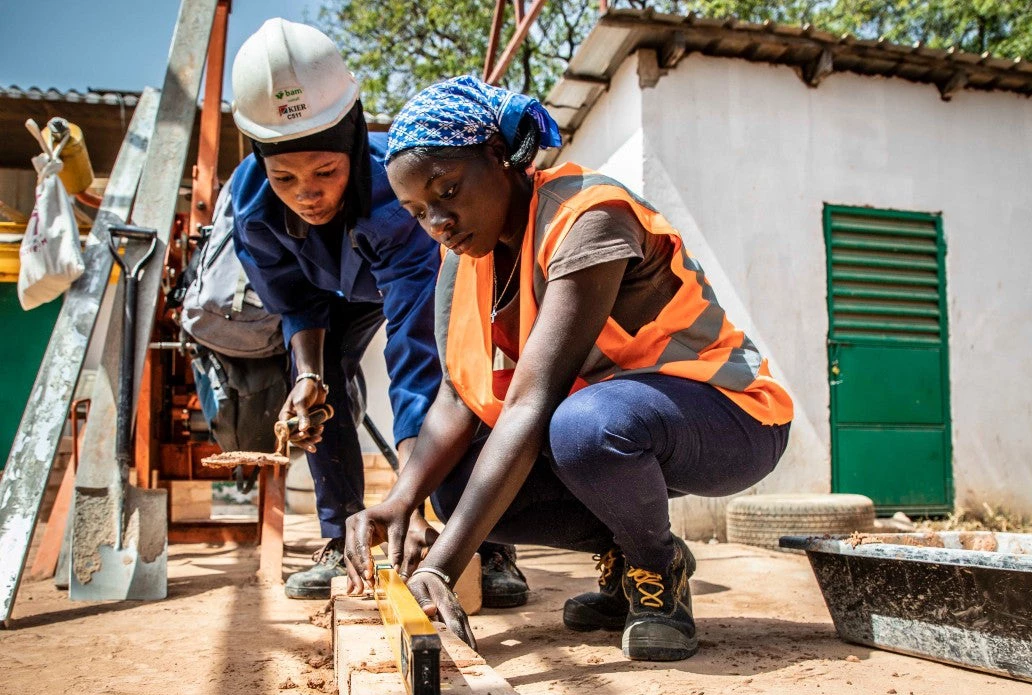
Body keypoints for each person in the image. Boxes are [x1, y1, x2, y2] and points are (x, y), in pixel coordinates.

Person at [343, 76, 794, 662]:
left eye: (448, 190)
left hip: (730, 418)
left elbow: (532, 399)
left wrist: (441, 568)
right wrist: (401, 498)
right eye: (418, 211)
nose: (439, 222)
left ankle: (657, 573)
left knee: (580, 426)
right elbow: (459, 396)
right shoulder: (464, 260)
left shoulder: (587, 215)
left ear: (499, 157)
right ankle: (624, 557)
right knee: (453, 490)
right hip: (617, 425)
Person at [228, 20, 529, 604]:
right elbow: (296, 304)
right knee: (317, 382)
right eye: (284, 177)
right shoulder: (253, 210)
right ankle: (344, 538)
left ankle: (489, 545)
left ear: (350, 143)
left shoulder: (400, 196)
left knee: (466, 372)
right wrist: (311, 376)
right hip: (334, 300)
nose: (306, 193)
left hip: (412, 287)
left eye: (325, 172)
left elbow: (415, 348)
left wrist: (407, 494)